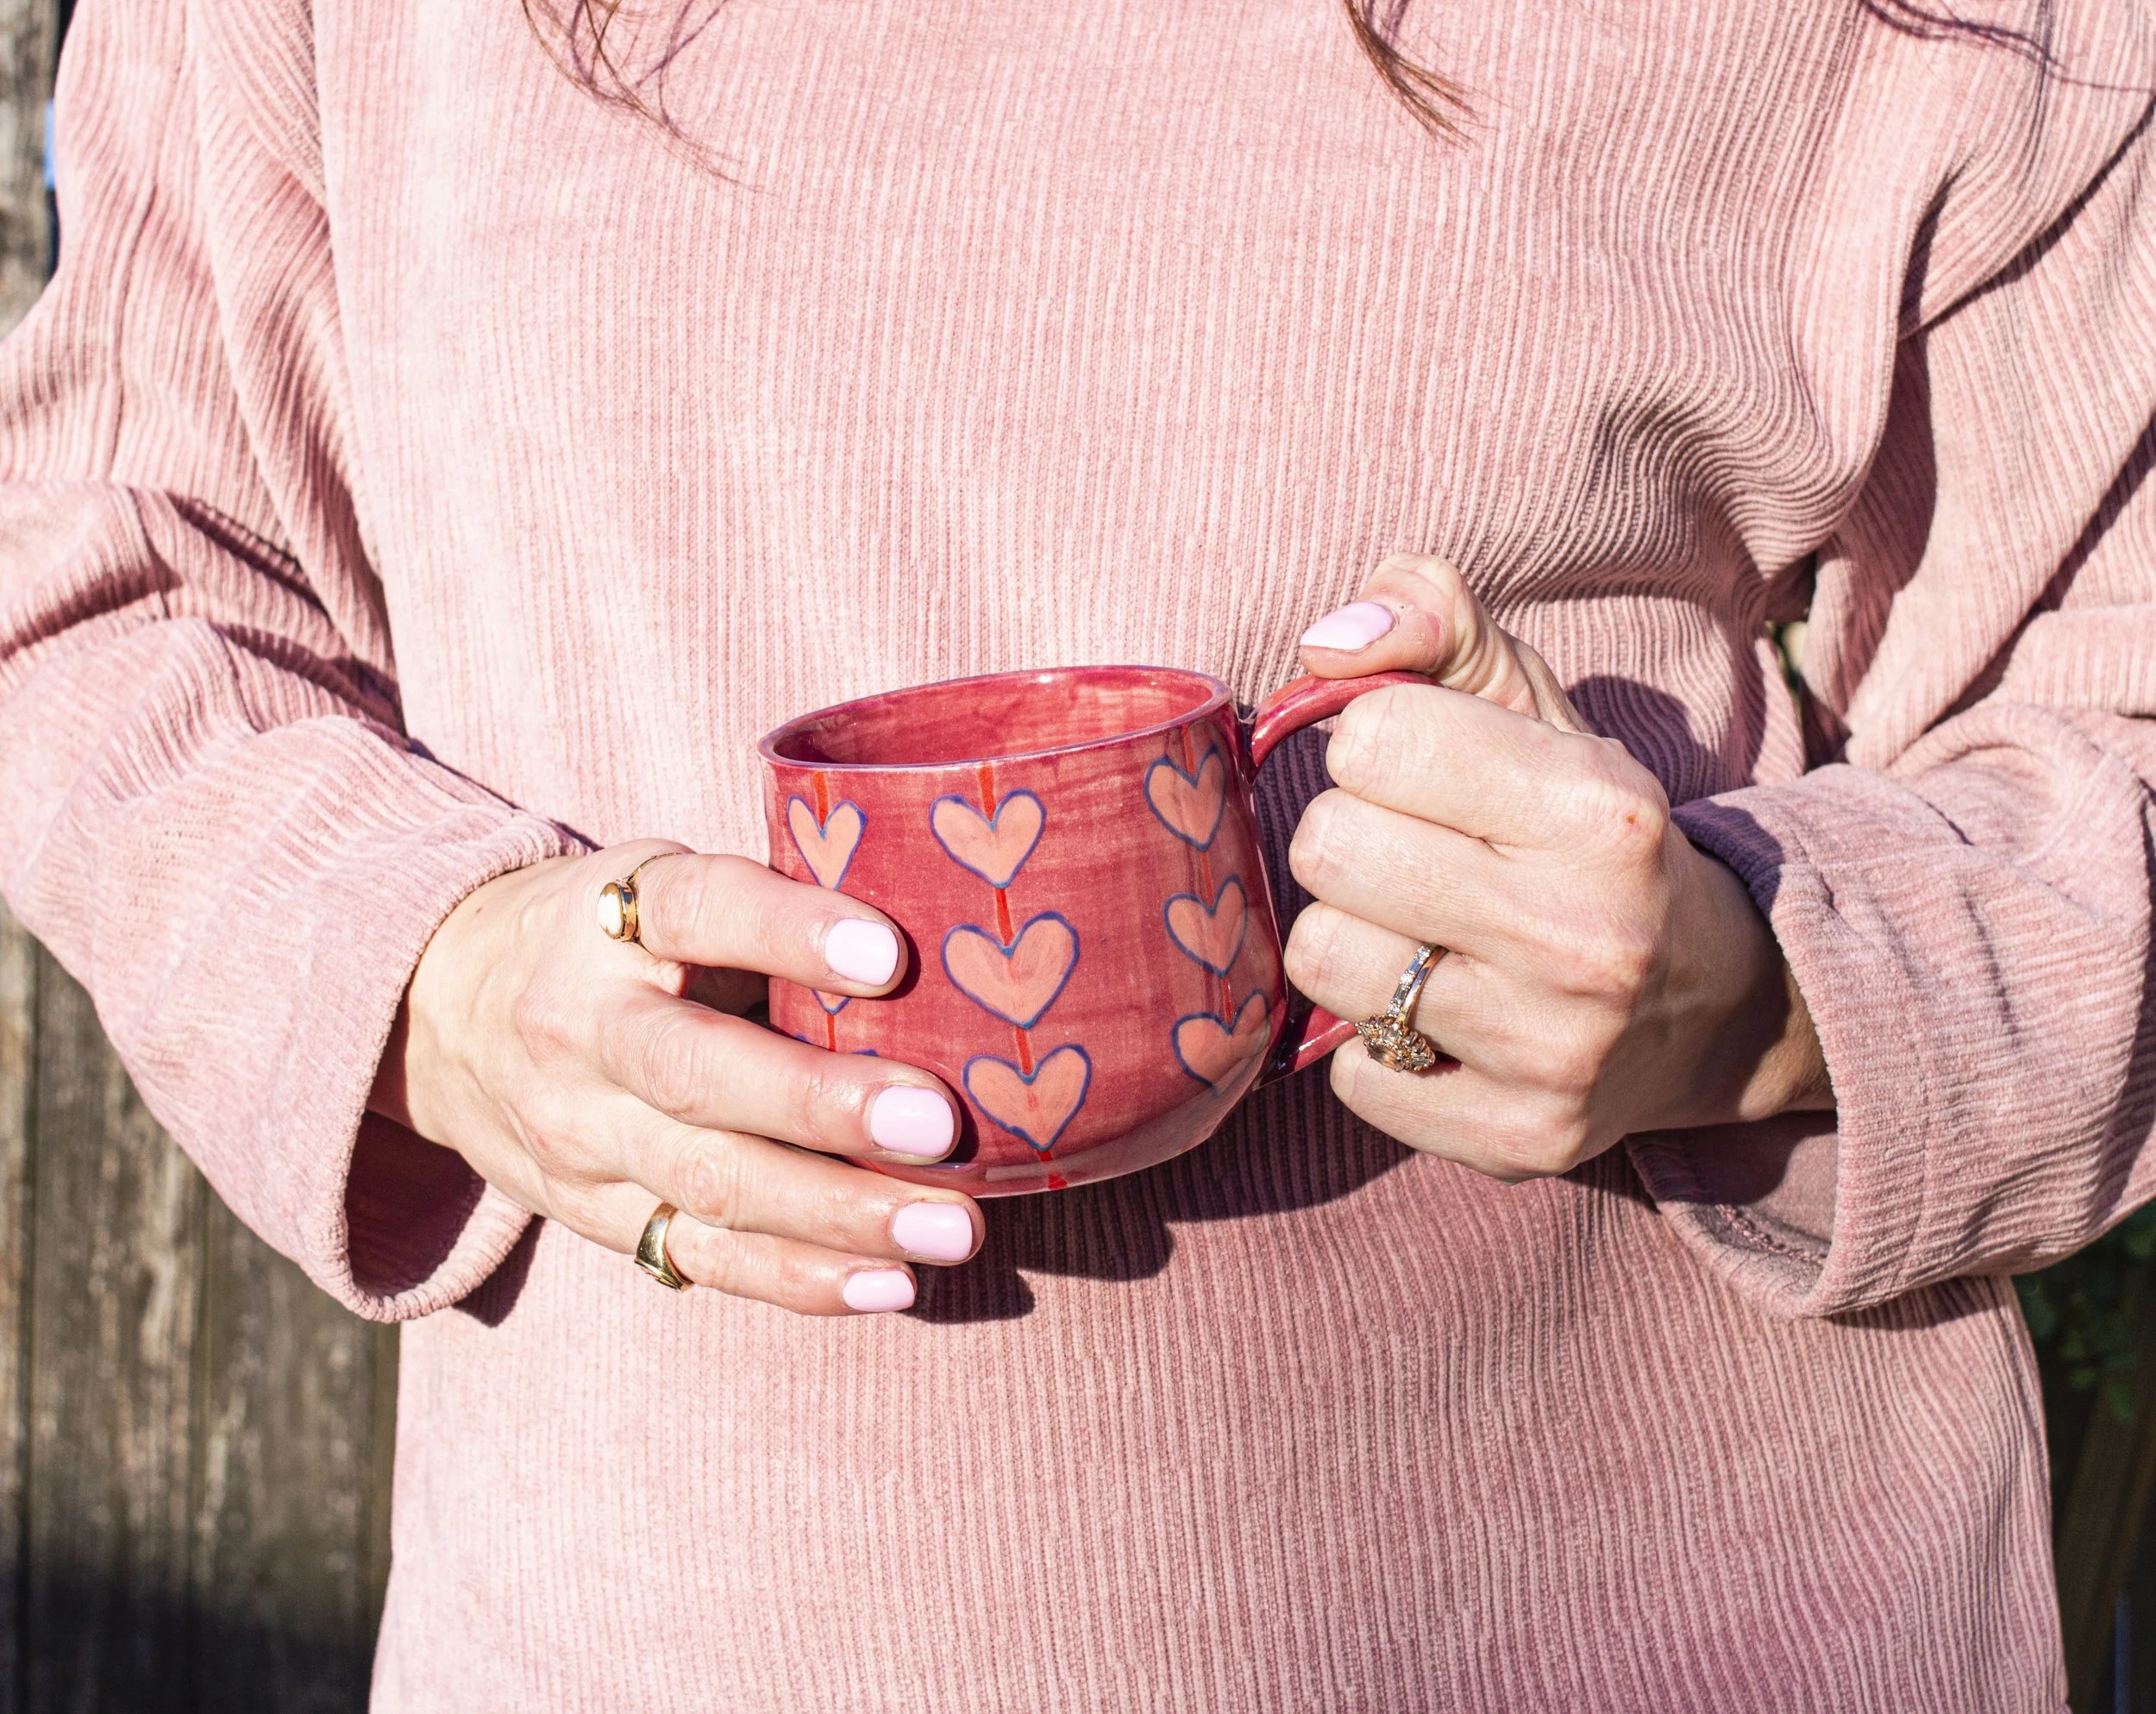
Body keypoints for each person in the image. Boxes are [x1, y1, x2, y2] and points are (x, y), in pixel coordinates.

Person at [1, 0, 2149, 1705]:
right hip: (661, 1631)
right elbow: (113, 577)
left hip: (1653, 1629)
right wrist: (447, 980)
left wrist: (1755, 989)